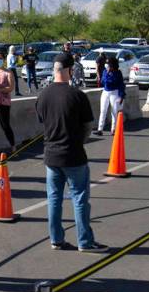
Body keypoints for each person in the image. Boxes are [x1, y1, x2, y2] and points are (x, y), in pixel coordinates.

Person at [36, 52, 108, 253]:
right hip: (74, 155)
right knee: (80, 199)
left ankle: (56, 239)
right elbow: (88, 126)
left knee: (54, 199)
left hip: (51, 155)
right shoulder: (77, 95)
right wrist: (79, 141)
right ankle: (85, 241)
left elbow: (41, 120)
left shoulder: (43, 95)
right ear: (68, 70)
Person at [96, 55, 125, 136]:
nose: (107, 66)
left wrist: (122, 95)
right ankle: (100, 129)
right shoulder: (105, 71)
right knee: (103, 110)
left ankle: (114, 129)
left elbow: (119, 84)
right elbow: (103, 81)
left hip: (114, 92)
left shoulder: (118, 73)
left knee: (114, 111)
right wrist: (108, 73)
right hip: (105, 92)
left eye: (109, 64)